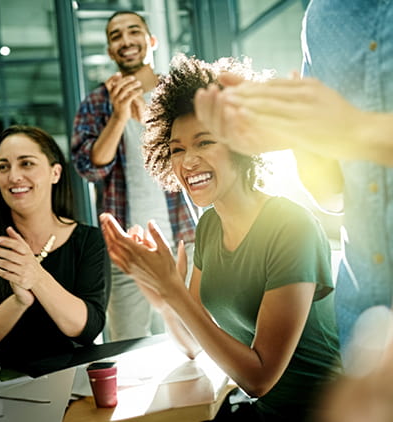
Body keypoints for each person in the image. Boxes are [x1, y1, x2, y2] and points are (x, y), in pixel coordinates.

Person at [99, 54, 341, 422]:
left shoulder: (291, 227)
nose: (187, 161)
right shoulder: (210, 226)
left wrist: (175, 291)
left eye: (204, 142)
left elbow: (259, 378)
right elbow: (195, 343)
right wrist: (165, 300)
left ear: (240, 144)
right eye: (177, 149)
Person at [193, 1, 393, 355]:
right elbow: (333, 196)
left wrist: (357, 131)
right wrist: (293, 137)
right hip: (363, 333)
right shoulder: (323, 18)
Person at [71, 11, 196, 341]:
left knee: (196, 337)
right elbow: (89, 167)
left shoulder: (180, 93)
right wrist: (120, 114)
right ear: (111, 51)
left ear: (150, 40)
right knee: (127, 343)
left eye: (133, 31)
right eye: (116, 36)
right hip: (126, 248)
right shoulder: (97, 102)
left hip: (186, 239)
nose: (125, 40)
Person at [0, 125, 107, 370]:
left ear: (55, 173)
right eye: (3, 166)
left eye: (26, 163)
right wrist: (19, 302)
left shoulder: (88, 241)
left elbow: (87, 329)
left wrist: (36, 277)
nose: (13, 176)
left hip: (73, 384)